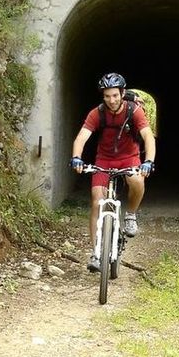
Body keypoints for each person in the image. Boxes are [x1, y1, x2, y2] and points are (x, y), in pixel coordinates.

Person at [70, 72, 156, 272]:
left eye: (115, 95)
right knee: (96, 202)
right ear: (103, 96)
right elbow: (81, 137)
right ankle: (97, 253)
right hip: (104, 160)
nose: (111, 100)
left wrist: (148, 161)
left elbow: (148, 137)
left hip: (129, 157)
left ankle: (131, 215)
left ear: (122, 93)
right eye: (107, 96)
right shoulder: (97, 113)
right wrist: (76, 157)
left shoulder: (134, 111)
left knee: (137, 181)